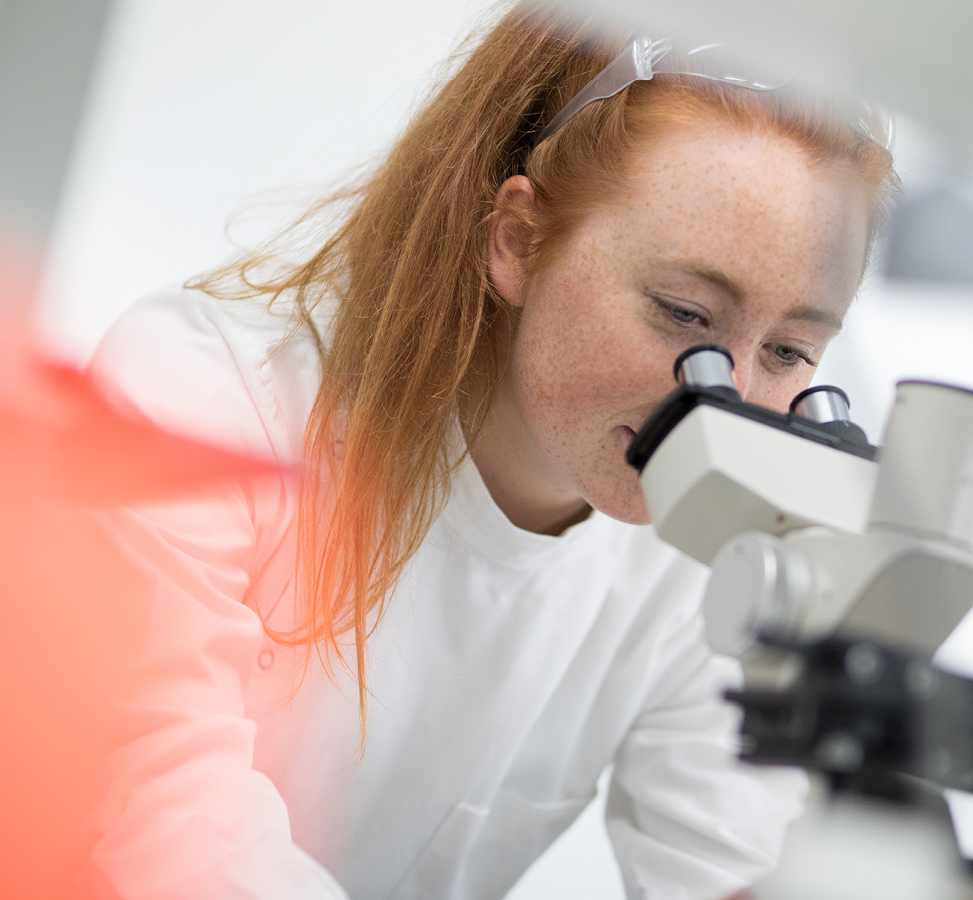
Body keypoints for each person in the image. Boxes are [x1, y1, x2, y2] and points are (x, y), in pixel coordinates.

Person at [82, 4, 895, 899]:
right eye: (686, 316)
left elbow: (732, 870)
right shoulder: (208, 397)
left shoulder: (709, 551)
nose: (730, 406)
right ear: (518, 240)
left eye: (788, 353)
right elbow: (164, 822)